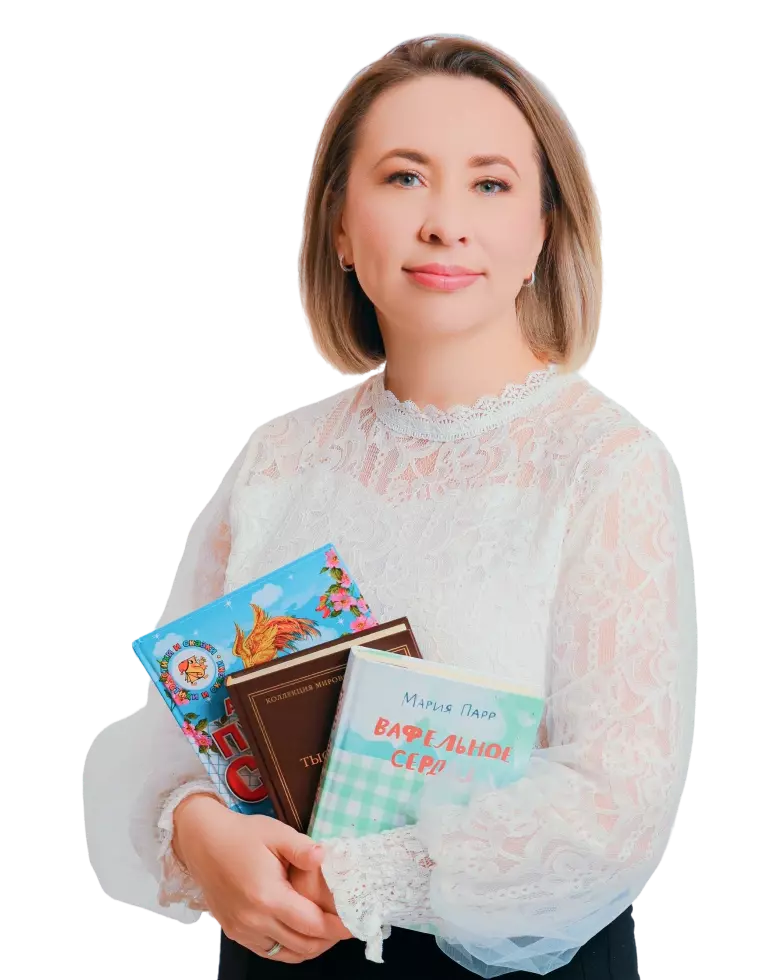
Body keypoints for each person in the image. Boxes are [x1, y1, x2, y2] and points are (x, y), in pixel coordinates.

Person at [82, 33, 697, 979]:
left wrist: (355, 879)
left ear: (543, 229)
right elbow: (181, 721)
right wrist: (194, 826)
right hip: (272, 957)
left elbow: (618, 805)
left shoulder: (604, 461)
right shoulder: (279, 457)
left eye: (490, 184)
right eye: (405, 177)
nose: (445, 224)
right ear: (336, 223)